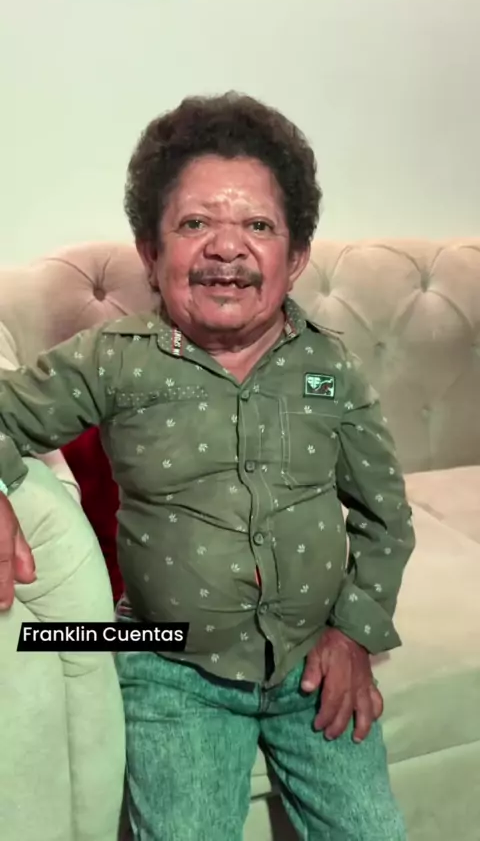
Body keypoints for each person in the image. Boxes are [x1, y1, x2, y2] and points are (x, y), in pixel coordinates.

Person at [0, 93, 415, 840]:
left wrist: (353, 634)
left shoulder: (330, 368)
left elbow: (386, 517)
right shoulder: (113, 360)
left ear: (296, 257)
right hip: (170, 665)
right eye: (195, 224)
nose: (227, 248)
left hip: (312, 659)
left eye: (258, 225)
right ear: (150, 252)